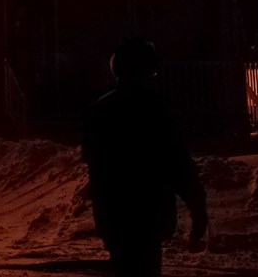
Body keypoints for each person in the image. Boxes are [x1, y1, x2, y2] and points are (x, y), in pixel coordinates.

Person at [81, 39, 208, 277]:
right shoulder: (156, 109)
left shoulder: (101, 109)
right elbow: (178, 164)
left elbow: (93, 164)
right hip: (149, 213)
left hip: (115, 214)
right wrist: (197, 207)